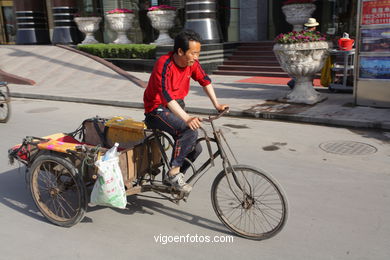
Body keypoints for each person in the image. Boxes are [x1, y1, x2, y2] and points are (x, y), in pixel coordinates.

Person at [143, 30, 228, 193]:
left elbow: (205, 81)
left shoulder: (192, 64)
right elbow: (166, 96)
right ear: (180, 51)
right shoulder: (164, 63)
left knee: (195, 148)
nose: (196, 57)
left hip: (176, 106)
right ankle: (174, 173)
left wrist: (217, 105)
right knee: (188, 129)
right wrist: (187, 118)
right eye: (193, 53)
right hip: (156, 109)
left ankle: (174, 179)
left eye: (198, 53)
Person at [287, 18, 320, 89]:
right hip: (308, 55)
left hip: (302, 54)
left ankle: (302, 84)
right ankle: (302, 84)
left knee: (305, 71)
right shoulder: (311, 35)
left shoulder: (302, 33)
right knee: (309, 71)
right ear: (314, 27)